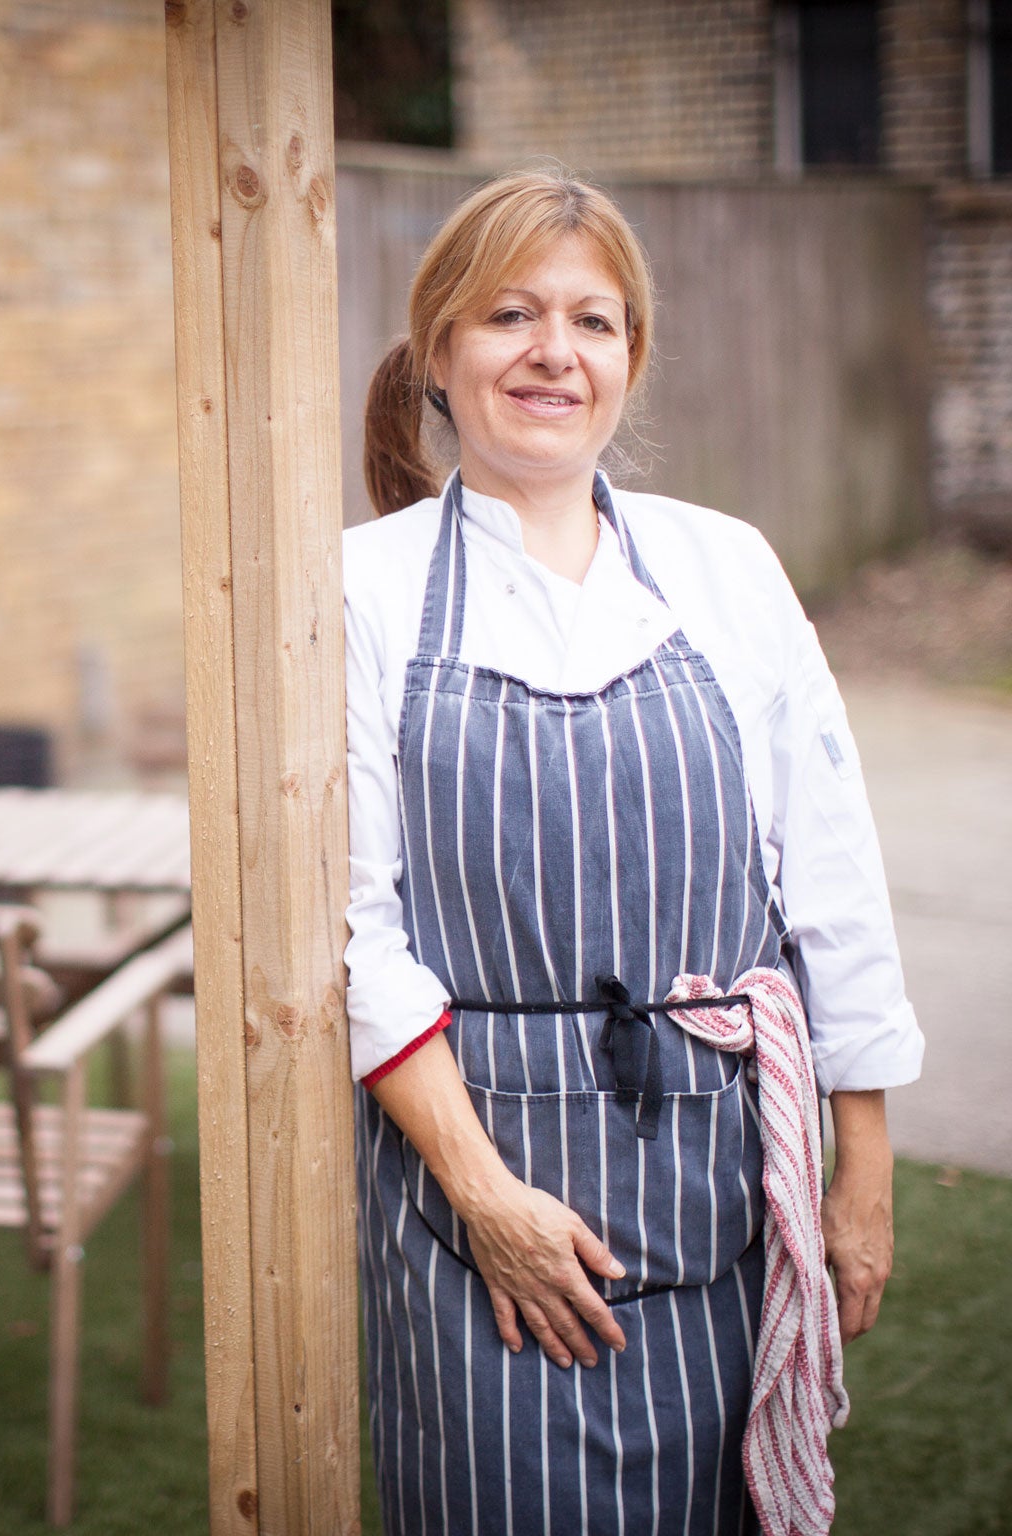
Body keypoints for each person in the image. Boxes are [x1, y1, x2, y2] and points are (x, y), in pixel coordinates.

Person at [343, 169, 923, 1536]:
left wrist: (867, 1177)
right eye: (509, 316)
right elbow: (355, 930)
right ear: (439, 350)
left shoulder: (727, 569)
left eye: (593, 322)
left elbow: (832, 880)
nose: (555, 352)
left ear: (631, 358)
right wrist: (488, 1201)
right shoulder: (357, 589)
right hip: (471, 1204)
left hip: (718, 1194)